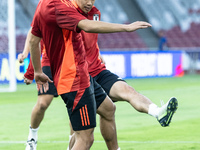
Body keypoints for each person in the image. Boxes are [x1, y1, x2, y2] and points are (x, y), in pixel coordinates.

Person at [29, 0, 153, 150]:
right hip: (74, 79)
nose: (90, 2)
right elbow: (87, 25)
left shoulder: (43, 4)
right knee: (85, 139)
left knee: (108, 109)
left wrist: (37, 71)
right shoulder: (60, 7)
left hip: (81, 75)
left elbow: (33, 39)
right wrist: (126, 27)